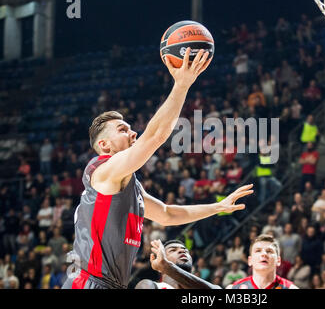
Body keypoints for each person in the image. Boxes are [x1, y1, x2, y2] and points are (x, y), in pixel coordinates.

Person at [63, 49, 254, 289]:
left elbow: (167, 213)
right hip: (89, 283)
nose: (132, 132)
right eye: (123, 130)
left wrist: (219, 206)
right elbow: (154, 136)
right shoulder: (101, 170)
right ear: (104, 145)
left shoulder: (127, 184)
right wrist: (182, 85)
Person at [136, 239, 220, 289]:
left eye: (186, 251)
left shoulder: (210, 286)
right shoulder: (150, 285)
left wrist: (168, 268)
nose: (182, 251)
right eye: (173, 250)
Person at [226, 234, 298, 289]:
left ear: (278, 261)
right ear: (250, 261)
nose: (264, 254)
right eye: (258, 251)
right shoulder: (233, 288)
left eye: (269, 251)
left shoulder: (290, 288)